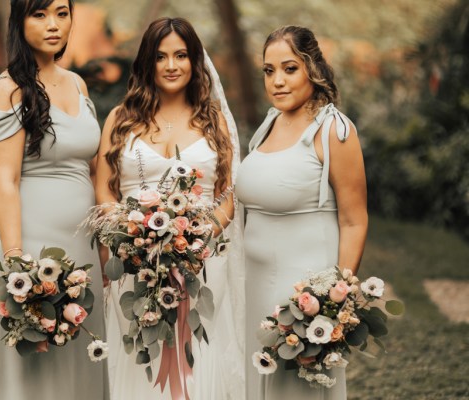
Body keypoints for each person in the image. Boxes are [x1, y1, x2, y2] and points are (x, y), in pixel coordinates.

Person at [95, 17, 245, 400]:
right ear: (148, 62)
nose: (172, 65)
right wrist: (130, 239)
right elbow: (104, 188)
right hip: (135, 262)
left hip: (202, 261)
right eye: (161, 56)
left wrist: (201, 235)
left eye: (181, 55)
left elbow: (230, 192)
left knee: (201, 353)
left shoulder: (213, 122)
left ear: (195, 60)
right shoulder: (121, 119)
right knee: (139, 355)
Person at [0, 0, 108, 398]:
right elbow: (5, 182)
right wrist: (17, 264)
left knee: (79, 345)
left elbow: (94, 166)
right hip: (28, 240)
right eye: (40, 14)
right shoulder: (7, 89)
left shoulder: (77, 84)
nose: (54, 24)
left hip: (80, 241)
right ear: (20, 20)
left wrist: (105, 234)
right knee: (32, 354)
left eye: (62, 13)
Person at [236, 25, 368, 399]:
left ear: (313, 69)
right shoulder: (267, 125)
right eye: (268, 70)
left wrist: (336, 301)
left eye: (289, 68)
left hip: (303, 293)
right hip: (256, 284)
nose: (277, 81)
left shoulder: (334, 130)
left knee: (297, 387)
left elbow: (355, 219)